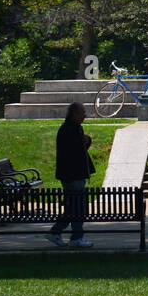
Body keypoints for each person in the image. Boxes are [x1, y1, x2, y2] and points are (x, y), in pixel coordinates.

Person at [47, 102, 95, 247]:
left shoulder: (75, 128)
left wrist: (87, 141)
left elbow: (78, 150)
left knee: (73, 208)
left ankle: (56, 233)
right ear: (74, 114)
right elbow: (67, 155)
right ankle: (76, 238)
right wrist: (67, 177)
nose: (85, 115)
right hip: (73, 176)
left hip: (76, 174)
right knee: (78, 209)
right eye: (82, 112)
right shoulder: (69, 130)